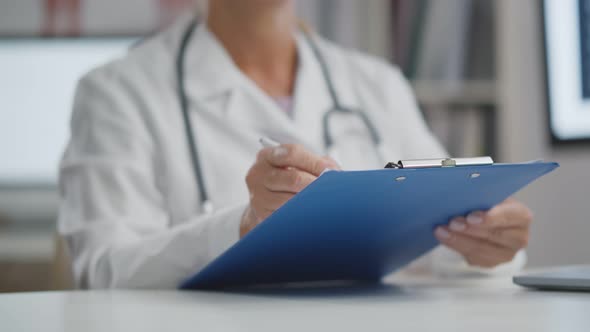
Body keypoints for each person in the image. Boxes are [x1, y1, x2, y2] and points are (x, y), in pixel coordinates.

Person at [58, 0, 532, 288]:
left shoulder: (376, 85)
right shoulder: (116, 92)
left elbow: (445, 241)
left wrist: (485, 245)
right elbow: (104, 272)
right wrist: (241, 227)